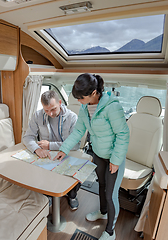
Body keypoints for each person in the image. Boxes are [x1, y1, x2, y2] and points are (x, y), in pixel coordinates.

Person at [54, 73, 130, 240]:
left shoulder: (112, 107)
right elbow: (79, 131)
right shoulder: (84, 108)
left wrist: (116, 161)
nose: (79, 101)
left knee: (111, 194)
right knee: (101, 186)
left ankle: (110, 231)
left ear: (94, 93)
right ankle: (103, 212)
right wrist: (64, 149)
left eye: (81, 98)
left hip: (113, 158)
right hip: (98, 154)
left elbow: (123, 134)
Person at [22, 90, 81, 210]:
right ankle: (47, 195)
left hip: (67, 153)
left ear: (59, 102)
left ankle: (72, 195)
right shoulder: (37, 115)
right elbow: (27, 137)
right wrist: (37, 149)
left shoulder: (73, 118)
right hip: (46, 155)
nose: (50, 114)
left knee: (77, 173)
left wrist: (50, 146)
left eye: (53, 109)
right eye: (46, 110)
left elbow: (75, 145)